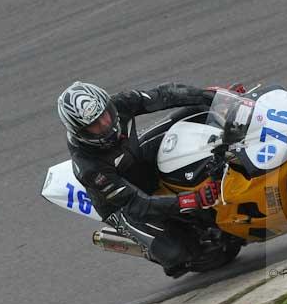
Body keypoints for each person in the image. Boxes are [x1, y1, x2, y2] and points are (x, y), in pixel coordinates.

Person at [56, 80, 230, 277]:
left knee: (198, 111)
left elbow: (165, 95)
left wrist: (214, 97)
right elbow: (137, 204)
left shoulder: (119, 104)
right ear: (81, 133)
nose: (105, 124)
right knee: (175, 253)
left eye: (104, 115)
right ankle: (153, 247)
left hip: (135, 155)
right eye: (95, 125)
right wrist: (194, 199)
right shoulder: (90, 167)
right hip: (121, 204)